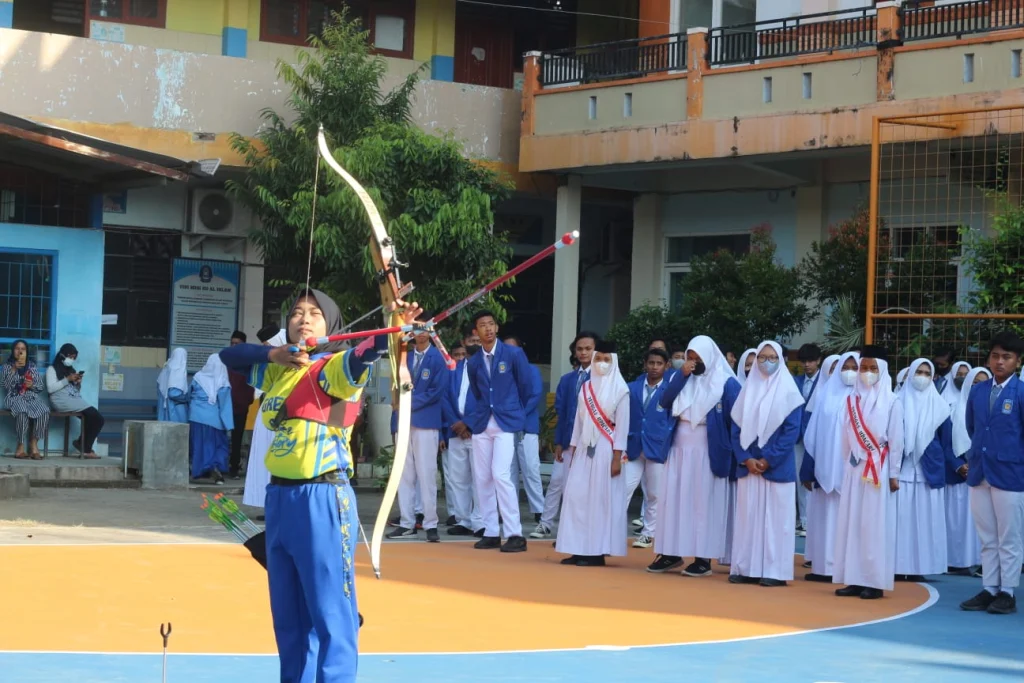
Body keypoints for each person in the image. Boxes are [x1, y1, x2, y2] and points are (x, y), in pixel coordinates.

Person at [219, 288, 418, 683]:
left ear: (332, 325)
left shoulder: (334, 368)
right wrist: (274, 354)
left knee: (331, 613)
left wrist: (391, 325)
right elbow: (231, 356)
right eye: (297, 312)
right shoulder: (278, 370)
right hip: (280, 497)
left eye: (314, 313)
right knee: (289, 616)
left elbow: (365, 353)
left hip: (322, 497)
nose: (304, 319)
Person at [649, 335, 740, 577]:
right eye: (690, 357)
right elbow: (665, 401)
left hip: (708, 450)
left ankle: (702, 558)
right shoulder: (682, 379)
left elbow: (736, 421)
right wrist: (682, 375)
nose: (693, 361)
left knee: (703, 503)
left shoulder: (726, 383)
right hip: (679, 447)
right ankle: (671, 552)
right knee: (674, 500)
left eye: (698, 357)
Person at [728, 340, 803, 587]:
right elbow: (736, 429)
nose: (766, 362)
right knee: (748, 518)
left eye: (772, 358)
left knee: (776, 521)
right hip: (749, 468)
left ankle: (775, 571)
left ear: (780, 360)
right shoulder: (746, 391)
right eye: (762, 357)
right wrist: (746, 458)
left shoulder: (790, 393)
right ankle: (745, 568)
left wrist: (767, 458)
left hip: (776, 468)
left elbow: (791, 432)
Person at [960, 331, 1024, 615]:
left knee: (1009, 536)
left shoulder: (1021, 392)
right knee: (987, 536)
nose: (999, 362)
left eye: (1006, 357)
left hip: (1010, 473)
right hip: (980, 471)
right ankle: (990, 587)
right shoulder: (978, 391)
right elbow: (972, 427)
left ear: (1017, 362)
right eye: (995, 356)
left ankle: (1007, 591)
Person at [833, 345, 903, 600]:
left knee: (873, 525)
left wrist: (894, 473)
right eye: (864, 367)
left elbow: (896, 440)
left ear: (882, 370)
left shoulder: (892, 401)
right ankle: (853, 578)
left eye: (873, 368)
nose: (867, 372)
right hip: (855, 468)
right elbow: (845, 435)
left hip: (878, 468)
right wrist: (846, 463)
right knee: (852, 522)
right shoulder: (851, 400)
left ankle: (873, 581)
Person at [465, 310, 537, 552]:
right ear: (476, 331)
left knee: (500, 474)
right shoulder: (474, 361)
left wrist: (516, 412)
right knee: (482, 477)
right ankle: (491, 531)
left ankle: (515, 533)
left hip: (506, 422)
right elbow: (477, 391)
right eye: (482, 325)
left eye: (491, 324)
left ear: (496, 327)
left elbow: (526, 386)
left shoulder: (513, 353)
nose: (488, 329)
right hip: (482, 422)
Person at [556, 341, 630, 566]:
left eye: (607, 360)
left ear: (613, 361)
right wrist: (573, 450)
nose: (602, 363)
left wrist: (617, 458)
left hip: (607, 451)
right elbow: (578, 424)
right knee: (577, 499)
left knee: (599, 502)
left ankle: (596, 552)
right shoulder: (586, 388)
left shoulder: (621, 390)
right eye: (599, 359)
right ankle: (577, 548)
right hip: (582, 451)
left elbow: (622, 428)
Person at [532, 331, 599, 539]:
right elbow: (562, 413)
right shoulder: (567, 379)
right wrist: (559, 442)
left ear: (596, 351)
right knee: (557, 481)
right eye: (580, 349)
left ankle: (577, 528)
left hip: (591, 442)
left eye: (588, 348)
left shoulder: (602, 378)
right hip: (568, 439)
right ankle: (545, 523)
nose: (584, 352)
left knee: (583, 487)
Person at [388, 328, 447, 543]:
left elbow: (436, 392)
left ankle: (430, 523)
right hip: (403, 422)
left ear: (431, 332)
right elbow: (395, 388)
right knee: (404, 474)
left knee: (426, 474)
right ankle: (407, 523)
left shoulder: (438, 358)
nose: (420, 333)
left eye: (425, 329)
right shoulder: (404, 356)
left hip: (426, 423)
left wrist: (408, 403)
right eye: (416, 329)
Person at [894, 359, 951, 581]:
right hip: (901, 472)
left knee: (926, 523)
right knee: (900, 522)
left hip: (929, 472)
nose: (922, 376)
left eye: (927, 373)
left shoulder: (940, 406)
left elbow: (946, 441)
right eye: (918, 371)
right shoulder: (896, 402)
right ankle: (897, 566)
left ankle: (921, 568)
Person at [800, 352, 849, 581]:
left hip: (850, 471)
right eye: (844, 368)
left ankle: (845, 568)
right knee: (824, 518)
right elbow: (812, 436)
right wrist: (808, 470)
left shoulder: (861, 397)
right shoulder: (824, 397)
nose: (849, 373)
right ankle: (823, 567)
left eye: (853, 368)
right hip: (825, 468)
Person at [624, 348, 673, 549]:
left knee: (654, 493)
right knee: (623, 489)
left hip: (657, 448)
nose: (654, 367)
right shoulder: (631, 387)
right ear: (645, 364)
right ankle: (612, 531)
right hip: (633, 446)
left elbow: (672, 421)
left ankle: (648, 533)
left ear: (666, 366)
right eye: (651, 363)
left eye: (659, 363)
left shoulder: (670, 390)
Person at [947, 366, 987, 574]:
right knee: (958, 521)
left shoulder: (994, 411)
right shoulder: (952, 409)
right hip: (959, 477)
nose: (978, 387)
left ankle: (981, 563)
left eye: (984, 383)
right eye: (975, 383)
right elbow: (945, 443)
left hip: (985, 476)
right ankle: (956, 562)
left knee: (983, 522)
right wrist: (959, 465)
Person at [242, 325, 286, 512]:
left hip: (284, 416)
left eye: (268, 344)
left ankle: (279, 506)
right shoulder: (269, 360)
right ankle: (266, 503)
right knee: (263, 458)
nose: (266, 348)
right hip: (266, 414)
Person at [442, 340, 482, 536]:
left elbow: (487, 400)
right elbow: (444, 397)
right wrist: (457, 424)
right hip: (455, 431)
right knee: (458, 478)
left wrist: (468, 423)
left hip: (477, 431)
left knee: (479, 478)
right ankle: (463, 520)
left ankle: (480, 521)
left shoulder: (484, 368)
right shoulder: (454, 369)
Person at [504, 336, 545, 524]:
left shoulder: (531, 369)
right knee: (509, 471)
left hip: (526, 426)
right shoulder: (501, 370)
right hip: (506, 427)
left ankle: (539, 510)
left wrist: (518, 415)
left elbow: (535, 395)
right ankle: (509, 510)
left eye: (513, 348)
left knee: (530, 468)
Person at [46, 343, 105, 458]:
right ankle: (85, 448)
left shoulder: (71, 370)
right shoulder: (51, 369)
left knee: (96, 418)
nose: (71, 360)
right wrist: (67, 379)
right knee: (95, 417)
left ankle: (83, 445)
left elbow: (74, 392)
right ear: (62, 355)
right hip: (60, 400)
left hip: (72, 399)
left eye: (74, 358)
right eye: (70, 356)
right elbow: (50, 388)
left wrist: (77, 384)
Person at [188, 353, 234, 484]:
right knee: (216, 445)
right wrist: (228, 425)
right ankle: (214, 468)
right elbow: (225, 406)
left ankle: (200, 470)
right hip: (213, 420)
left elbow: (189, 395)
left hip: (195, 417)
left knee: (198, 445)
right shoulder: (222, 382)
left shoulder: (198, 377)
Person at [1, 340, 50, 459]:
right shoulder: (7, 366)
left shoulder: (32, 366)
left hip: (30, 397)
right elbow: (4, 385)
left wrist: (31, 385)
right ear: (13, 351)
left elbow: (40, 387)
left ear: (27, 352)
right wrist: (13, 369)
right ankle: (20, 445)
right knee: (22, 411)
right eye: (17, 348)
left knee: (44, 411)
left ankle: (34, 443)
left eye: (23, 349)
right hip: (14, 397)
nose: (20, 351)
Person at [794, 343, 823, 537]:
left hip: (817, 436)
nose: (807, 365)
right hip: (797, 436)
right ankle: (804, 520)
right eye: (804, 361)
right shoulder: (795, 381)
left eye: (811, 361)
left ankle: (815, 520)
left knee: (817, 476)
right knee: (799, 478)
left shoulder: (826, 381)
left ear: (818, 360)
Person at [227, 331, 256, 479]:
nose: (233, 346)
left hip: (240, 407)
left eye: (237, 344)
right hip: (224, 406)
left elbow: (251, 385)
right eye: (232, 343)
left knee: (237, 439)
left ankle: (234, 468)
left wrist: (245, 402)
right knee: (221, 437)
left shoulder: (248, 363)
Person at [157, 348, 189, 423]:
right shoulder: (178, 371)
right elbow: (173, 393)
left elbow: (159, 388)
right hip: (175, 409)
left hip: (164, 408)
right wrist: (187, 398)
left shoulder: (166, 369)